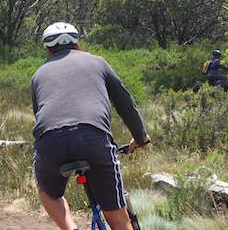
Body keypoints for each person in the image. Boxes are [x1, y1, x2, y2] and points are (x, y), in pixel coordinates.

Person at [31, 22, 150, 230]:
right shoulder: (98, 62)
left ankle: (70, 228)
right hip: (93, 139)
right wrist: (140, 138)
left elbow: (40, 116)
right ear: (78, 46)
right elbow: (126, 105)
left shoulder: (38, 74)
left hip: (49, 143)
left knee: (47, 190)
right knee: (118, 218)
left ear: (48, 51)